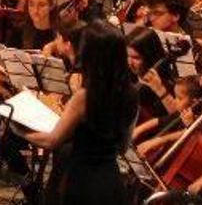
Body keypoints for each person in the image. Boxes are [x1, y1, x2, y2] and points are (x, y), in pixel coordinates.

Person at [26, 20, 139, 203]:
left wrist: (22, 131)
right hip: (110, 179)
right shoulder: (132, 94)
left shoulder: (85, 97)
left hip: (81, 177)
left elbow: (52, 140)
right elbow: (124, 146)